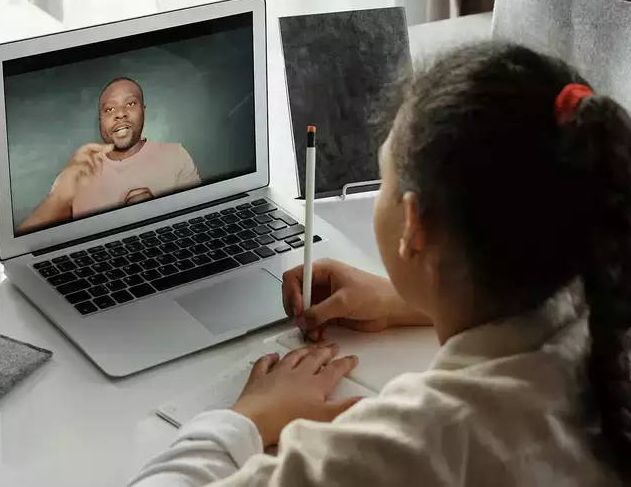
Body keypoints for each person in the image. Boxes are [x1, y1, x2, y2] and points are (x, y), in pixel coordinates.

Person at [129, 42, 631, 485]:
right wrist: (411, 298)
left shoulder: (413, 446)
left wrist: (249, 417)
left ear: (414, 224)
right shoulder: (608, 309)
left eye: (384, 175)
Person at [17, 77, 201, 234]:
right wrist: (60, 196)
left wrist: (155, 213)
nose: (120, 114)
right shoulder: (78, 171)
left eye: (130, 104)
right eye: (109, 109)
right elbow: (29, 246)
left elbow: (198, 227)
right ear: (100, 121)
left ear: (143, 110)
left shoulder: (176, 155)